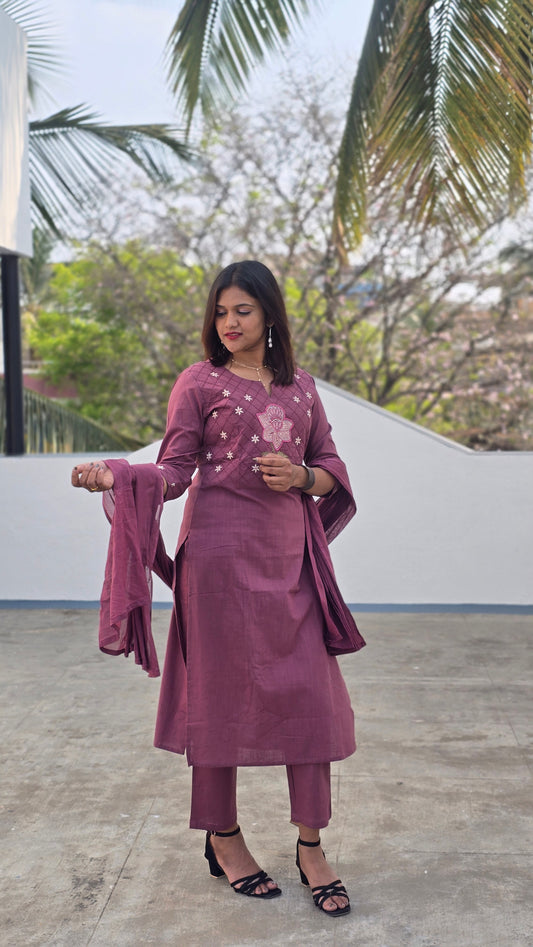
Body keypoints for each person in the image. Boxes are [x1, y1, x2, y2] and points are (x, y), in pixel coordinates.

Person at [72, 260, 365, 917]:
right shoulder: (198, 382)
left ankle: (310, 845)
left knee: (309, 703)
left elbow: (330, 469)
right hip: (217, 566)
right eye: (220, 311)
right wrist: (119, 476)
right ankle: (223, 836)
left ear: (269, 317)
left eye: (242, 311)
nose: (228, 323)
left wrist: (300, 478)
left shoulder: (301, 390)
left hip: (289, 564)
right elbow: (174, 470)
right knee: (218, 701)